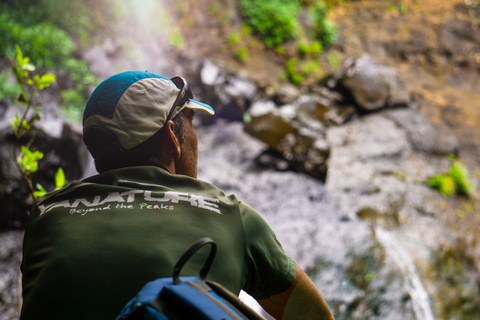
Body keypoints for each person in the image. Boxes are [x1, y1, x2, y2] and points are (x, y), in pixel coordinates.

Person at [20, 71, 335, 320]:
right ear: (173, 136)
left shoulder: (46, 215)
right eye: (191, 123)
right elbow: (312, 315)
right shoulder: (231, 216)